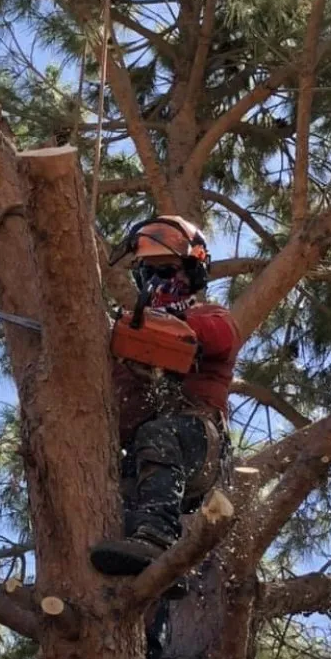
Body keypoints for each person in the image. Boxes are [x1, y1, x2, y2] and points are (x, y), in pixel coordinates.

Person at [90, 215, 241, 578]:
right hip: (151, 463)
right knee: (122, 503)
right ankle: (153, 612)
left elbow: (220, 336)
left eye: (169, 270)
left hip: (198, 443)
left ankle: (158, 540)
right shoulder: (129, 346)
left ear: (191, 273)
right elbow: (120, 413)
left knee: (160, 433)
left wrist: (146, 332)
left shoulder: (208, 316)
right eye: (152, 272)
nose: (161, 282)